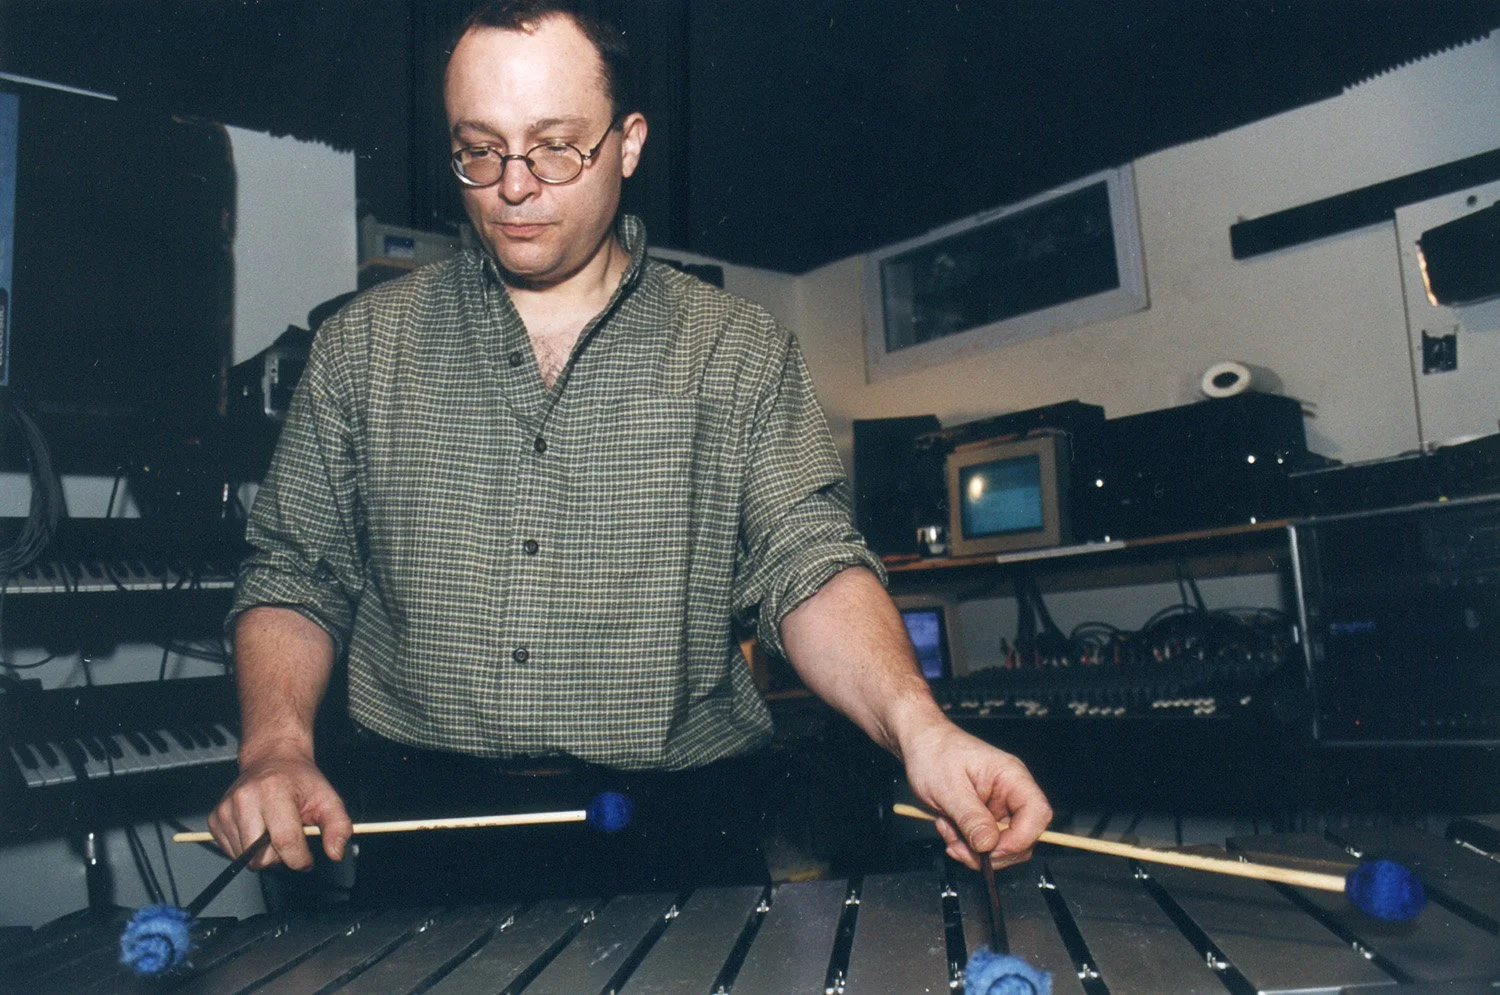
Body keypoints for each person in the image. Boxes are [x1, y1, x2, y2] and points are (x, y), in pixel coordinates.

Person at [209, 0, 1051, 903]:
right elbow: (294, 571)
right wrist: (276, 747)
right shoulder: (361, 347)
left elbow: (809, 565)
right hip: (431, 833)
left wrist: (921, 727)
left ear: (630, 143)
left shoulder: (738, 350)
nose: (513, 187)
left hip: (679, 838)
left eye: (555, 147)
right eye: (479, 150)